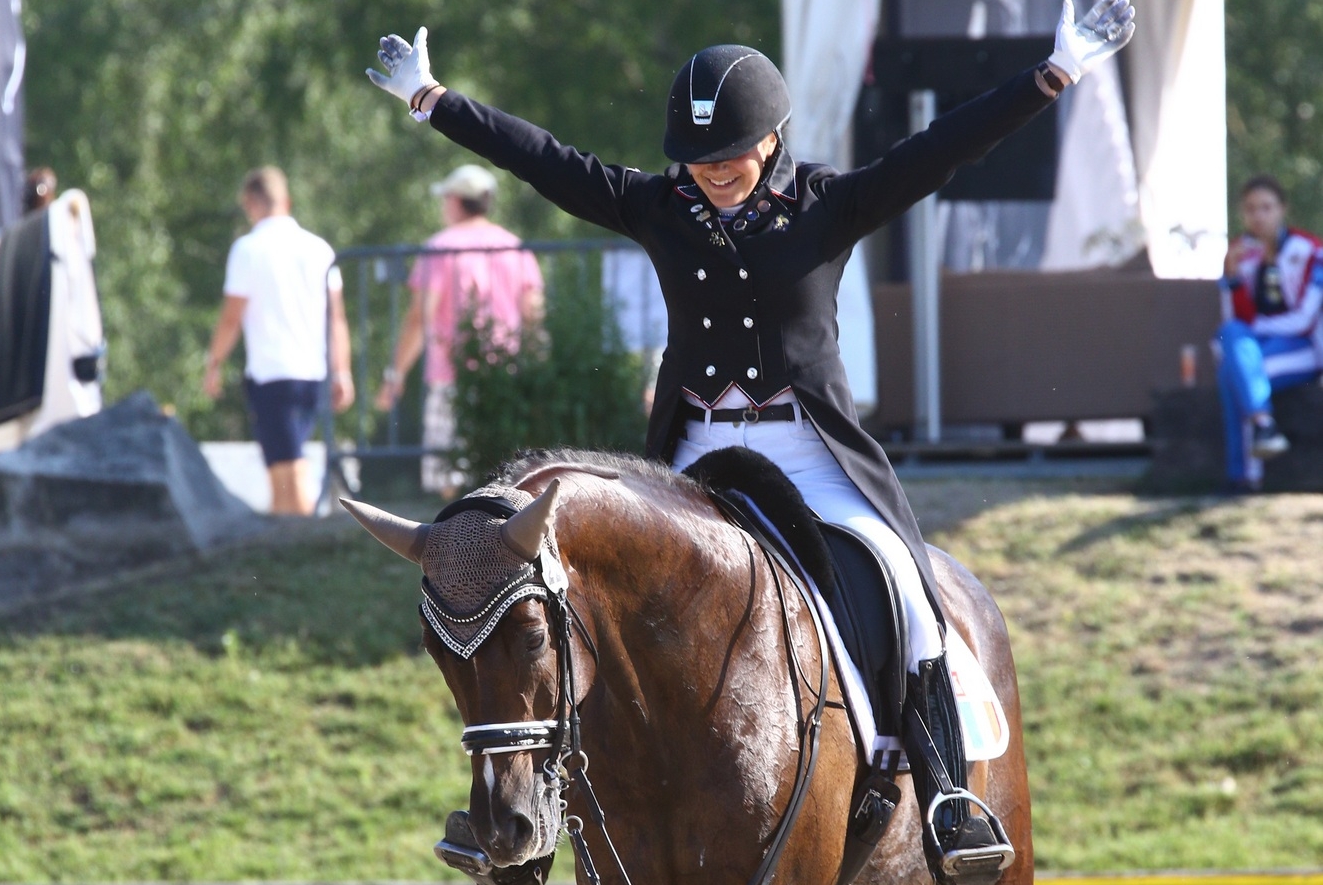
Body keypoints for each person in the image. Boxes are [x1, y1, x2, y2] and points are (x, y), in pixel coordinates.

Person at [366, 1, 1134, 881]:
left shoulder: (826, 203)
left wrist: (1053, 73)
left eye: (728, 158)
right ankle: (527, 810)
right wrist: (433, 100)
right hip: (695, 457)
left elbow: (937, 152)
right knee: (573, 605)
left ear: (771, 140)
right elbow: (548, 163)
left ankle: (946, 793)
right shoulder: (662, 207)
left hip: (809, 452)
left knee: (910, 591)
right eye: (696, 161)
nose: (712, 175)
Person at [375, 163, 544, 496]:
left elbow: (419, 318)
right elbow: (533, 315)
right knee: (505, 470)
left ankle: (454, 539)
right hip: (504, 374)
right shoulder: (515, 246)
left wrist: (395, 374)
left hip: (449, 374)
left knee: (447, 471)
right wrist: (538, 369)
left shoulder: (440, 248)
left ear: (455, 200)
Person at [202, 166, 355, 515]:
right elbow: (337, 319)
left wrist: (213, 364)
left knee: (288, 469)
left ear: (250, 203)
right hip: (312, 372)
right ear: (286, 200)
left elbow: (231, 318)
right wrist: (342, 371)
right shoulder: (319, 248)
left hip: (273, 372)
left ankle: (301, 549)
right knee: (281, 469)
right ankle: (284, 545)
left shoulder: (248, 249)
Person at [1215, 174, 1323, 492]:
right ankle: (1262, 425)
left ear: (1282, 209)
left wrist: (1258, 328)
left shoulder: (1311, 250)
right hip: (1262, 348)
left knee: (1231, 373)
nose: (1258, 216)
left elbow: (1305, 319)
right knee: (1231, 334)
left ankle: (1244, 476)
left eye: (1266, 207)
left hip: (1306, 349)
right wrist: (1231, 279)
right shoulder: (1241, 253)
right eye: (1251, 209)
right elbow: (1237, 320)